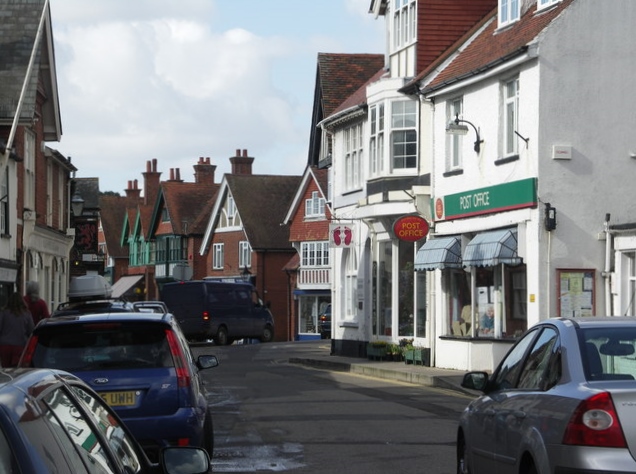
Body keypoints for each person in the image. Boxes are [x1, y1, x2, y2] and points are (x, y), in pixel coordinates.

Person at [0, 292, 34, 367]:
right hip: (19, 346)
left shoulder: (4, 313)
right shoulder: (26, 314)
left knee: (5, 369)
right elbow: (31, 331)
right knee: (16, 370)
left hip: (4, 346)